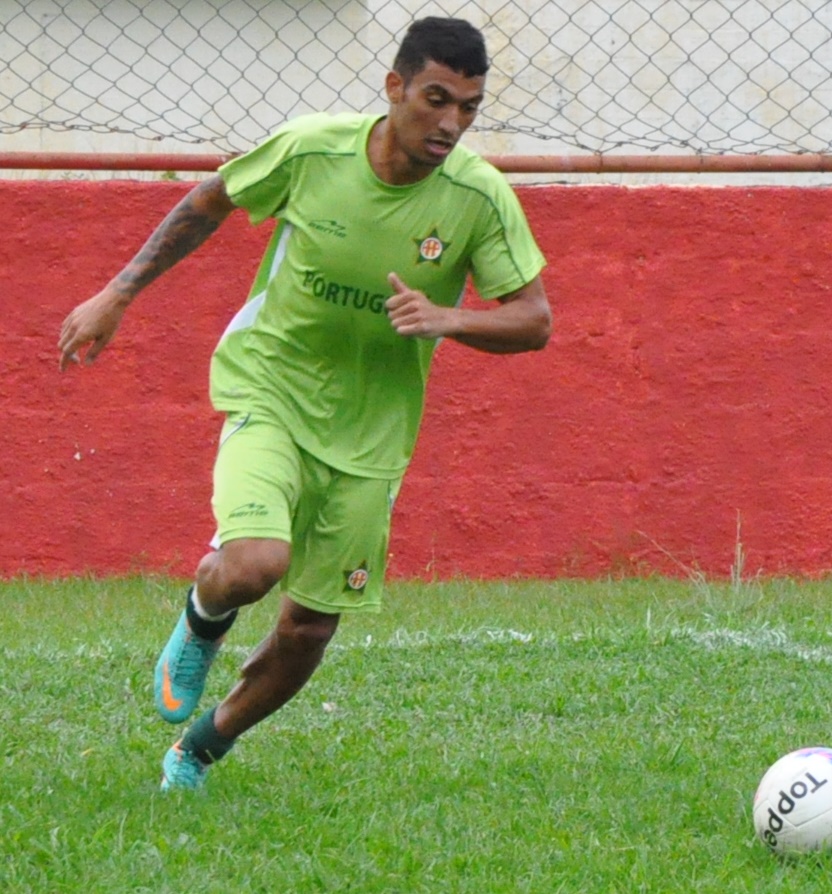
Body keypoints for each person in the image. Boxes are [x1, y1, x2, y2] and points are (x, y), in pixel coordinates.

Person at [56, 16, 551, 791]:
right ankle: (201, 620)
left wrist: (448, 318)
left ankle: (201, 748)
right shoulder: (311, 149)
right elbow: (211, 200)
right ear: (394, 88)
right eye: (436, 99)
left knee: (309, 627)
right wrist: (117, 295)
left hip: (371, 437)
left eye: (469, 109)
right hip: (272, 388)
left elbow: (535, 320)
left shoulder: (478, 199)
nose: (451, 124)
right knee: (255, 564)